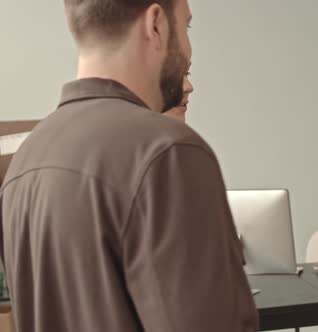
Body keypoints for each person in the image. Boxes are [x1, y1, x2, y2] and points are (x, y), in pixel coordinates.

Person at [0, 1, 258, 331]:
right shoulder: (168, 152)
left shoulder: (27, 157)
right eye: (186, 27)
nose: (190, 49)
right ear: (156, 24)